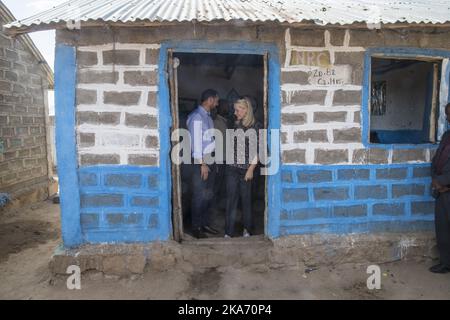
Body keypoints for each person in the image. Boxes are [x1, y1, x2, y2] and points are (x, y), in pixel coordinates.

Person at [225, 98, 261, 238]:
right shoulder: (234, 124)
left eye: (237, 110)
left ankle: (247, 230)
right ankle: (228, 232)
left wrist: (251, 169)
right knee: (231, 200)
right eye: (235, 110)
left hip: (246, 169)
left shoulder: (256, 126)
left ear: (246, 110)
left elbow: (259, 150)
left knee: (246, 201)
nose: (235, 112)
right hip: (232, 168)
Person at [187, 89, 220, 239]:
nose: (217, 103)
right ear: (210, 100)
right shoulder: (197, 118)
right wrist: (202, 164)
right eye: (216, 100)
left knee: (208, 195)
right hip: (201, 161)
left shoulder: (208, 118)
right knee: (199, 196)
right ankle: (196, 228)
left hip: (210, 160)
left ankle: (204, 224)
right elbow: (196, 144)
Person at [430, 102, 450, 273]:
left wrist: (445, 182)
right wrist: (436, 180)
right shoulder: (446, 136)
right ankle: (446, 262)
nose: (448, 118)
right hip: (442, 191)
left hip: (447, 187)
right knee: (443, 228)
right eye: (447, 114)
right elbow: (437, 159)